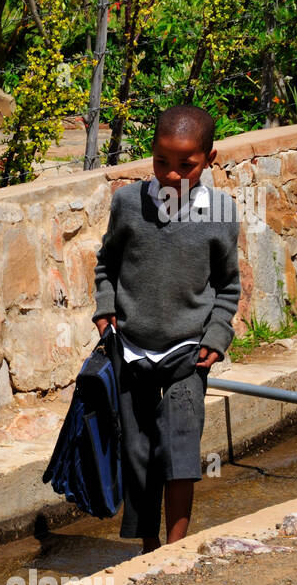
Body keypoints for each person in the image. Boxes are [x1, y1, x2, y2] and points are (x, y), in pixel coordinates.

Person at [92, 104, 241, 553]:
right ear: (150, 154)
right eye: (161, 162)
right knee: (137, 455)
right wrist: (105, 308)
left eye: (186, 165)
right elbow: (107, 263)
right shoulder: (128, 204)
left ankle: (176, 548)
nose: (172, 175)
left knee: (178, 452)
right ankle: (148, 548)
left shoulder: (219, 213)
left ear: (209, 159)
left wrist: (217, 336)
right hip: (132, 350)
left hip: (187, 354)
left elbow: (227, 286)